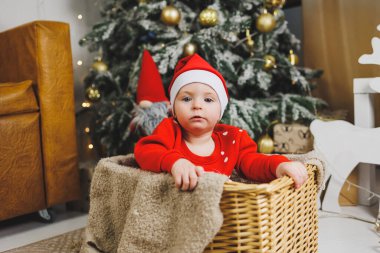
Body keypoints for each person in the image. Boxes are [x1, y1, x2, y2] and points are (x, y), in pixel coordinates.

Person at [134, 53, 308, 191]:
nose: (196, 105)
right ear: (173, 108)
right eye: (186, 99)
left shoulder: (232, 139)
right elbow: (145, 151)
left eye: (208, 100)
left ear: (220, 111)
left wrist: (279, 165)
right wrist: (174, 162)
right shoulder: (169, 129)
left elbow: (254, 162)